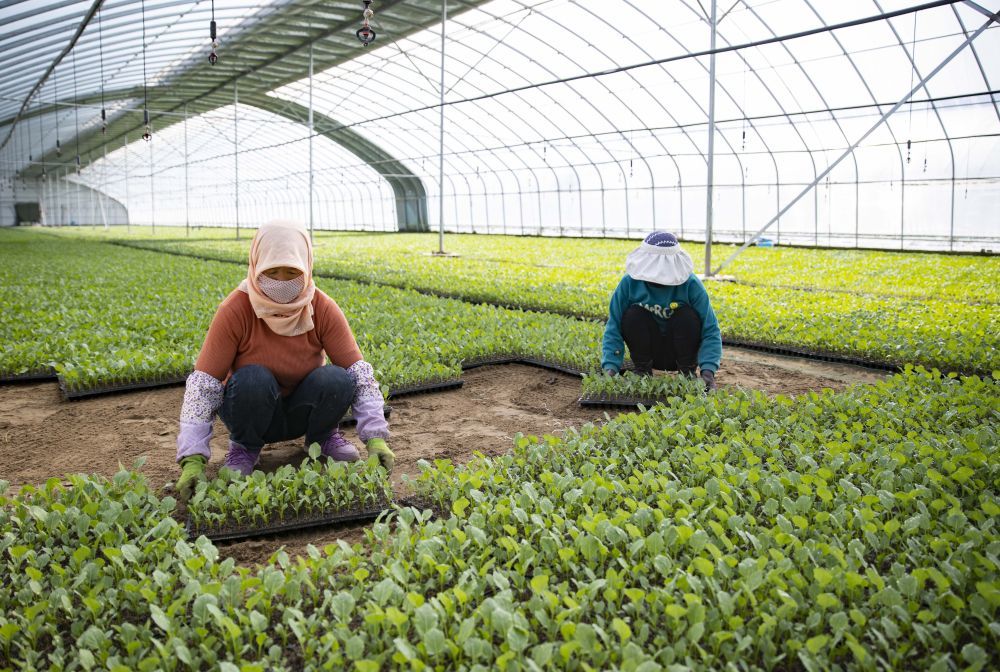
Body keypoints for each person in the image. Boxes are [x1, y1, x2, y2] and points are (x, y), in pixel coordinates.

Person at [174, 220, 393, 499]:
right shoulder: (236, 309)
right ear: (256, 266)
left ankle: (322, 436)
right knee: (253, 378)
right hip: (250, 410)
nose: (281, 281)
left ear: (307, 267)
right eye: (271, 271)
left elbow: (358, 373)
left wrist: (375, 437)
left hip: (302, 408)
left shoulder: (321, 307)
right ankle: (244, 447)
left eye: (292, 272)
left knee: (338, 378)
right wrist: (193, 459)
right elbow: (204, 385)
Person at [601, 231, 722, 391]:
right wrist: (610, 367)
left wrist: (708, 372)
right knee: (633, 315)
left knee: (687, 316)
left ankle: (686, 372)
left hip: (681, 352)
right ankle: (643, 370)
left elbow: (710, 329)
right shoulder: (629, 283)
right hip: (650, 352)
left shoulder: (690, 284)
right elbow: (613, 326)